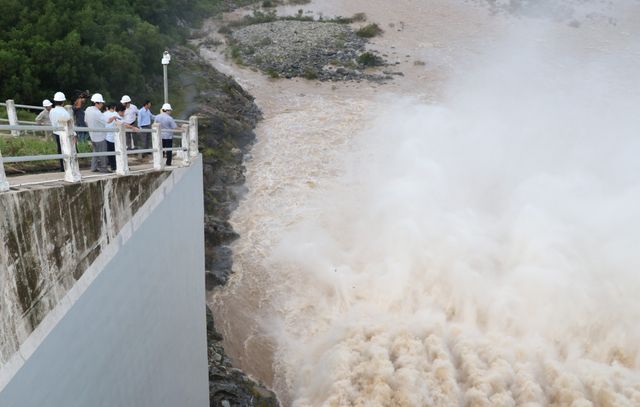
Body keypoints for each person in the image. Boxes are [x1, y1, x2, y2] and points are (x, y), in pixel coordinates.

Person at [84, 93, 110, 173]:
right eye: (101, 103)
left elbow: (85, 121)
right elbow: (107, 121)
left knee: (95, 152)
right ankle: (104, 168)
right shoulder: (97, 112)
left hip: (92, 136)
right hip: (100, 136)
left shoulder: (88, 109)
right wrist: (113, 117)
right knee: (103, 153)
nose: (102, 105)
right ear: (96, 103)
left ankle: (93, 167)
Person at [48, 92, 73, 172]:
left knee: (60, 150)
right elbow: (69, 123)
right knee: (68, 150)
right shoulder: (64, 112)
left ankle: (62, 167)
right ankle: (68, 167)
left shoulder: (52, 111)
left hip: (56, 133)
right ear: (63, 102)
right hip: (64, 134)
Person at [103, 103, 119, 171]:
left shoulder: (104, 114)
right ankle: (116, 166)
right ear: (114, 107)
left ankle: (112, 166)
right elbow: (120, 122)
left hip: (106, 136)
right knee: (116, 153)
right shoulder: (116, 114)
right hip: (115, 137)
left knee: (110, 153)